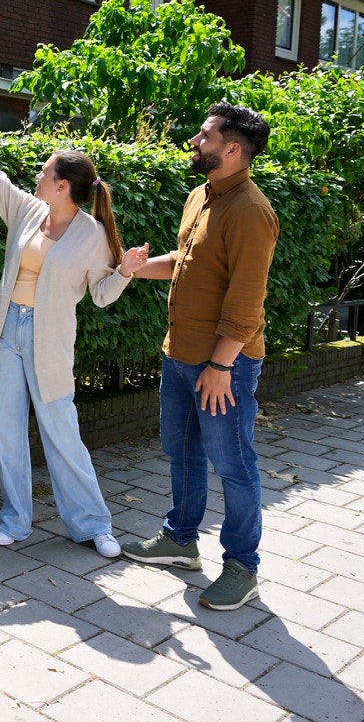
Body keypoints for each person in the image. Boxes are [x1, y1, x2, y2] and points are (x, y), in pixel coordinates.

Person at [0, 100, 149, 557]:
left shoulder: (92, 235)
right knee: (3, 428)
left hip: (49, 341)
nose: (37, 174)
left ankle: (93, 525)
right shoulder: (28, 211)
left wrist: (125, 272)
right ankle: (15, 520)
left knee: (61, 432)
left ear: (63, 185)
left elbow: (101, 295)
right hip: (7, 330)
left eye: (45, 171)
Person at [122, 101, 279, 610]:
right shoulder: (200, 196)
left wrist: (221, 366)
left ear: (232, 149)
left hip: (221, 366)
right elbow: (186, 265)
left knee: (233, 463)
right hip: (180, 355)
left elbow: (246, 299)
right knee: (182, 449)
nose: (194, 140)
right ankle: (181, 539)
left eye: (204, 135)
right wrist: (133, 269)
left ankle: (242, 566)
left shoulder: (251, 212)